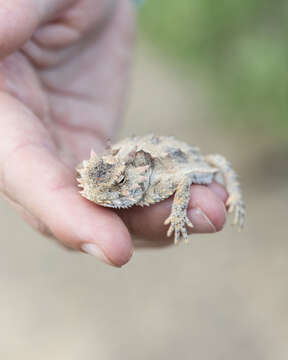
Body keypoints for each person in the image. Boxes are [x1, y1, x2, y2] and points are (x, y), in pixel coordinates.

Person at [0, 0, 227, 267]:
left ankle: (233, 195)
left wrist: (178, 213)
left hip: (182, 160)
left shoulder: (154, 184)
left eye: (115, 186)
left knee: (219, 165)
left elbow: (184, 181)